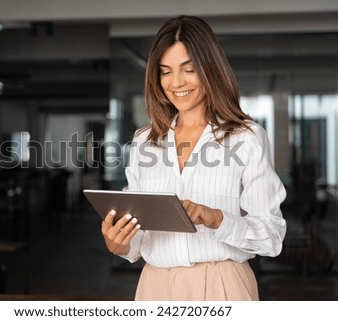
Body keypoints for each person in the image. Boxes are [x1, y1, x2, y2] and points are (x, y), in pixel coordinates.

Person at [101, 15, 287, 301]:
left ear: (210, 69)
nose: (176, 83)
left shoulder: (246, 137)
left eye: (188, 70)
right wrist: (119, 242)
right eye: (165, 72)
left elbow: (272, 236)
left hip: (223, 285)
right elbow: (138, 240)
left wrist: (216, 219)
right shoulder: (144, 141)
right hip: (155, 287)